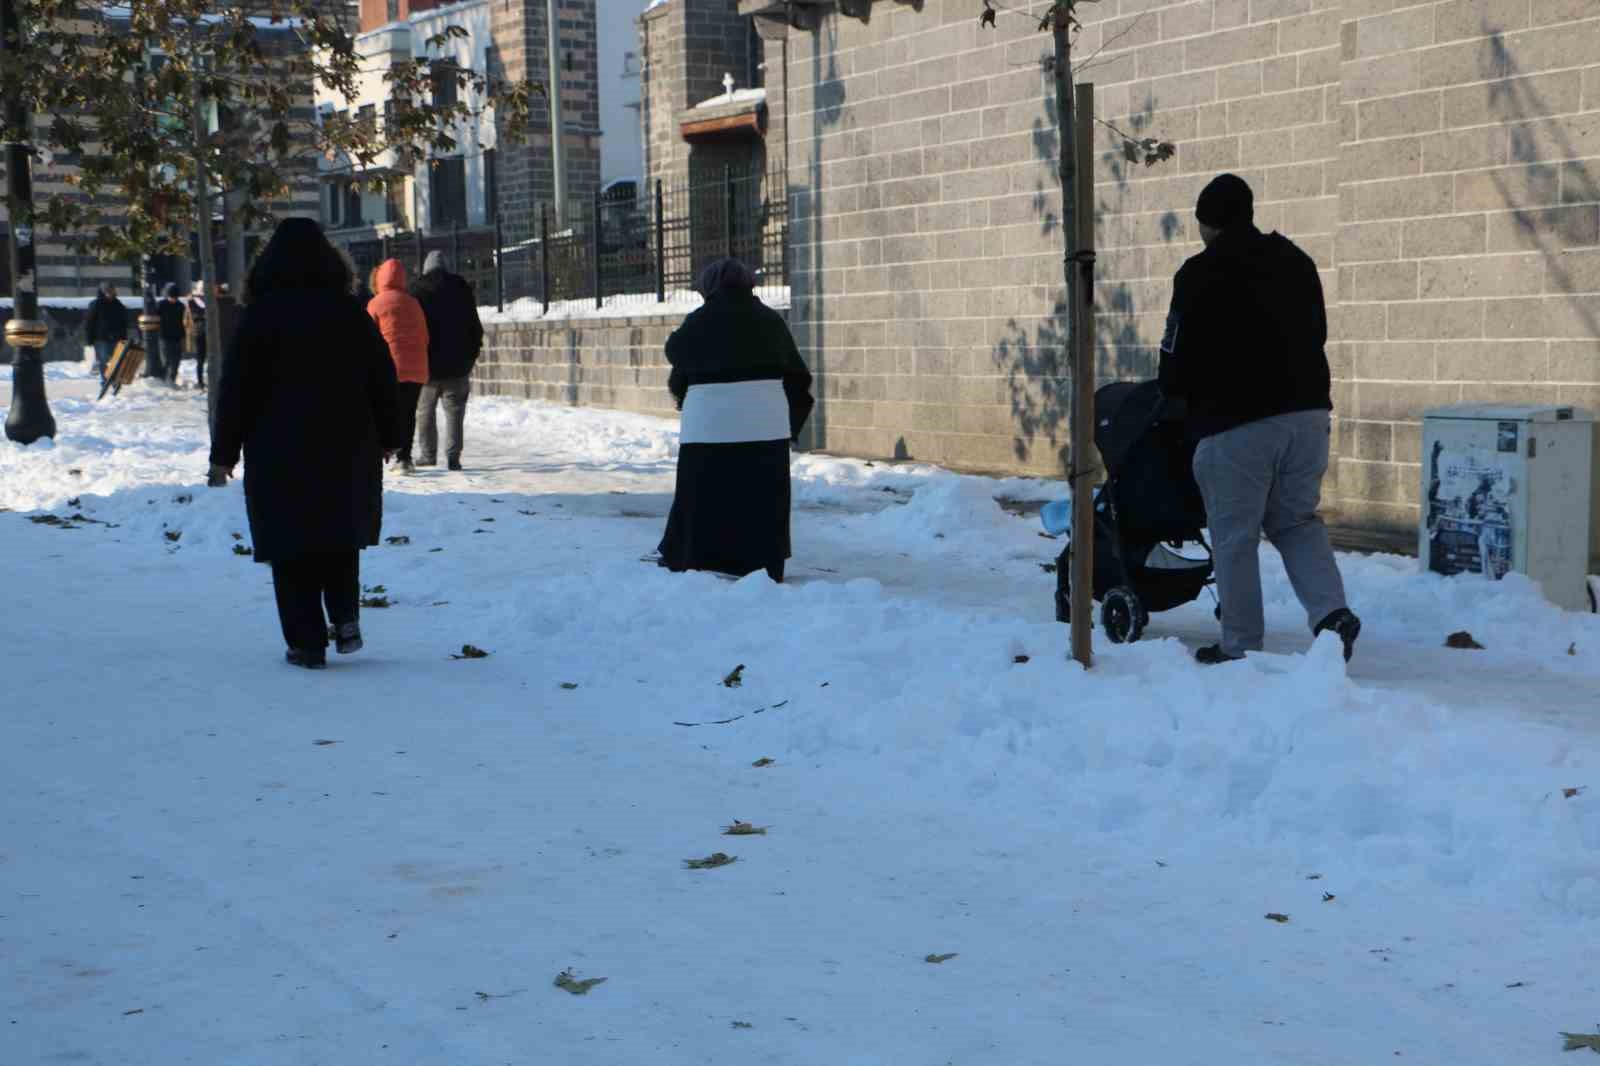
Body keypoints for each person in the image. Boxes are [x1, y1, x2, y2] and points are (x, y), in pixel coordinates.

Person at [1157, 173, 1361, 665]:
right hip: (1309, 415)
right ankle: (1332, 615)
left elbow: (1174, 359)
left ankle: (1241, 644)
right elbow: (1320, 332)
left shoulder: (1197, 274)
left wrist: (1174, 400)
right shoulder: (1297, 262)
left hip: (1234, 425)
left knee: (1234, 536)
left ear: (1206, 223)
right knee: (1296, 521)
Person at [207, 217, 403, 670]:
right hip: (346, 443)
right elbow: (382, 378)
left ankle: (306, 642)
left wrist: (223, 454)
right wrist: (391, 436)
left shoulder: (259, 316)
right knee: (338, 535)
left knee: (290, 543)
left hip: (278, 449)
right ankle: (345, 616)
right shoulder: (350, 311)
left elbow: (235, 389)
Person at [657, 257, 813, 582]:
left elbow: (676, 352)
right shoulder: (769, 320)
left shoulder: (700, 320)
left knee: (703, 494)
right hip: (764, 426)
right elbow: (797, 375)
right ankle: (765, 563)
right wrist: (790, 424)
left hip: (709, 426)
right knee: (761, 497)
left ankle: (698, 556)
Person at [409, 250, 485, 471]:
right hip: (458, 365)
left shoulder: (417, 290)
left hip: (428, 365)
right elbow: (474, 326)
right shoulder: (461, 288)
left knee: (425, 410)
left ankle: (427, 454)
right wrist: (472, 354)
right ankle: (453, 456)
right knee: (455, 411)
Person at [366, 258, 429, 474]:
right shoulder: (414, 303)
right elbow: (425, 336)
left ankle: (384, 451)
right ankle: (405, 459)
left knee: (385, 409)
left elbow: (369, 338)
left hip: (390, 366)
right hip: (417, 367)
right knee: (409, 412)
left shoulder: (375, 303)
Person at [85, 283, 128, 380]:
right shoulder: (96, 304)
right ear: (103, 292)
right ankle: (105, 379)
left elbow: (123, 323)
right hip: (100, 338)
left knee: (115, 359)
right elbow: (89, 322)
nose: (111, 294)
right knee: (103, 359)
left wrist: (123, 338)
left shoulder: (118, 304)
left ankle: (112, 378)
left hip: (115, 337)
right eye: (108, 291)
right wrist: (89, 339)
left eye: (112, 291)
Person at [157, 282, 187, 387]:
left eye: (175, 297)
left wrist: (183, 335)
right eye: (171, 297)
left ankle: (171, 379)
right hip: (164, 336)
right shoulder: (161, 305)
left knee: (176, 361)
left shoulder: (181, 306)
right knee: (166, 360)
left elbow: (183, 321)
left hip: (177, 336)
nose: (173, 299)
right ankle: (164, 379)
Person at [183, 281, 208, 391]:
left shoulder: (191, 302)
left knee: (201, 360)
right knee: (202, 359)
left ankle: (201, 382)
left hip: (199, 333)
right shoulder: (193, 302)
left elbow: (186, 320)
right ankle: (201, 382)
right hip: (201, 333)